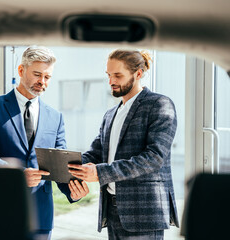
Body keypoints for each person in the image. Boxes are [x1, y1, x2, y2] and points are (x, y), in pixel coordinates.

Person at [0, 46, 89, 240]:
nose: (42, 82)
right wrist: (17, 176)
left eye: (47, 77)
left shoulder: (55, 117)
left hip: (40, 217)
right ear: (21, 71)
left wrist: (74, 190)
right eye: (37, 74)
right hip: (1, 212)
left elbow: (58, 165)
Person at [69, 49, 179, 239]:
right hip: (112, 211)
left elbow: (154, 158)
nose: (111, 81)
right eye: (109, 75)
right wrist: (64, 164)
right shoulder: (110, 114)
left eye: (118, 75)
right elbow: (96, 153)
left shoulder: (160, 104)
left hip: (143, 213)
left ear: (138, 74)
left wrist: (100, 173)